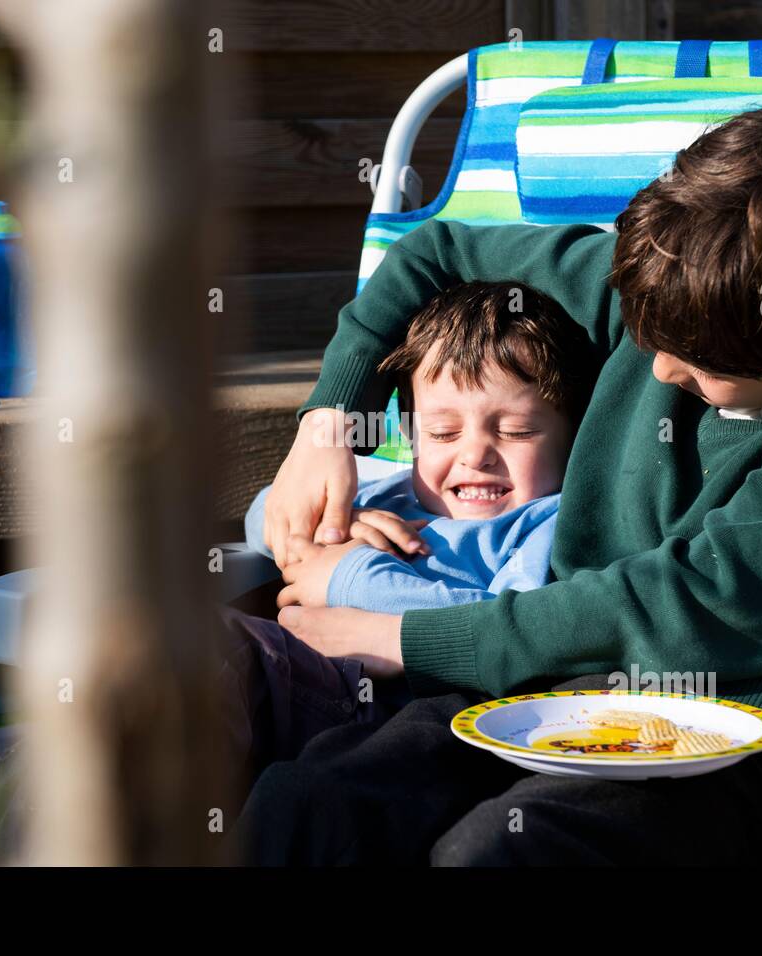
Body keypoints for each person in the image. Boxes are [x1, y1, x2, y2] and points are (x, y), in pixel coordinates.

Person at [239, 100, 762, 865]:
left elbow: (678, 609)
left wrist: (402, 635)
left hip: (727, 742)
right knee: (311, 804)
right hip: (530, 690)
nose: (655, 368)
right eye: (650, 336)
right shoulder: (682, 290)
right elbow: (437, 251)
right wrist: (328, 425)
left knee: (498, 853)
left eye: (697, 367)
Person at [218, 279, 593, 799]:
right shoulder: (384, 493)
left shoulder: (546, 523)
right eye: (442, 432)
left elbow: (509, 625)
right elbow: (265, 512)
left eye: (516, 431)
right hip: (298, 676)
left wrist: (348, 576)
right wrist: (337, 525)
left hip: (404, 715)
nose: (475, 454)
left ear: (574, 434)